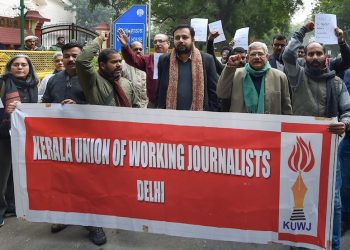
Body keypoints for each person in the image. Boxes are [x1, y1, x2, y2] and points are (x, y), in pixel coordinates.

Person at [282, 21, 350, 250]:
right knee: (299, 201)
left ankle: (332, 245)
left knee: (333, 203)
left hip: (331, 153)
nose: (314, 57)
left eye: (318, 53)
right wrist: (303, 31)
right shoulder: (297, 77)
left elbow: (348, 111)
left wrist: (345, 124)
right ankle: (299, 243)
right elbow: (288, 54)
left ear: (325, 57)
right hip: (300, 153)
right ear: (305, 57)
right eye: (310, 53)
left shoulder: (338, 83)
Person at [0, 55, 39, 226]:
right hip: (3, 134)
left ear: (29, 68)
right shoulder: (2, 83)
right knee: (2, 174)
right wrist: (5, 111)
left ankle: (12, 205)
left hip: (23, 135)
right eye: (16, 65)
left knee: (16, 172)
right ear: (10, 67)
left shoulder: (33, 85)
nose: (20, 67)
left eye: (24, 65)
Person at [217, 41, 292, 114]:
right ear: (247, 57)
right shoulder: (235, 74)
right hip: (240, 124)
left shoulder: (280, 76)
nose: (257, 57)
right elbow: (221, 93)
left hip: (270, 125)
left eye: (260, 54)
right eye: (253, 54)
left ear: (267, 57)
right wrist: (230, 67)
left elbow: (286, 107)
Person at [156, 24, 218, 111]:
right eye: (177, 38)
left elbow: (213, 92)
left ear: (193, 40)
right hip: (169, 116)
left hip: (199, 117)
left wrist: (211, 115)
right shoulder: (164, 60)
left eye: (185, 37)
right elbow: (160, 90)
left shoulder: (207, 59)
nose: (180, 40)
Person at [76, 32, 138, 107]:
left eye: (120, 61)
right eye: (114, 62)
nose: (119, 65)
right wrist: (100, 39)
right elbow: (82, 60)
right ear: (102, 65)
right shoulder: (93, 81)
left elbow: (136, 108)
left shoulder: (127, 83)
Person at [119, 29, 170, 107]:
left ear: (168, 43)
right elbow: (132, 59)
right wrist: (125, 46)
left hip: (171, 104)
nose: (157, 43)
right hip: (153, 104)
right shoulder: (149, 59)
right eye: (155, 42)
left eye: (160, 41)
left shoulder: (175, 59)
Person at [121, 41, 148, 108]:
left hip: (146, 106)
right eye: (136, 49)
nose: (138, 51)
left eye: (140, 49)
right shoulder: (122, 64)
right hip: (129, 106)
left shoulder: (148, 64)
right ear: (130, 50)